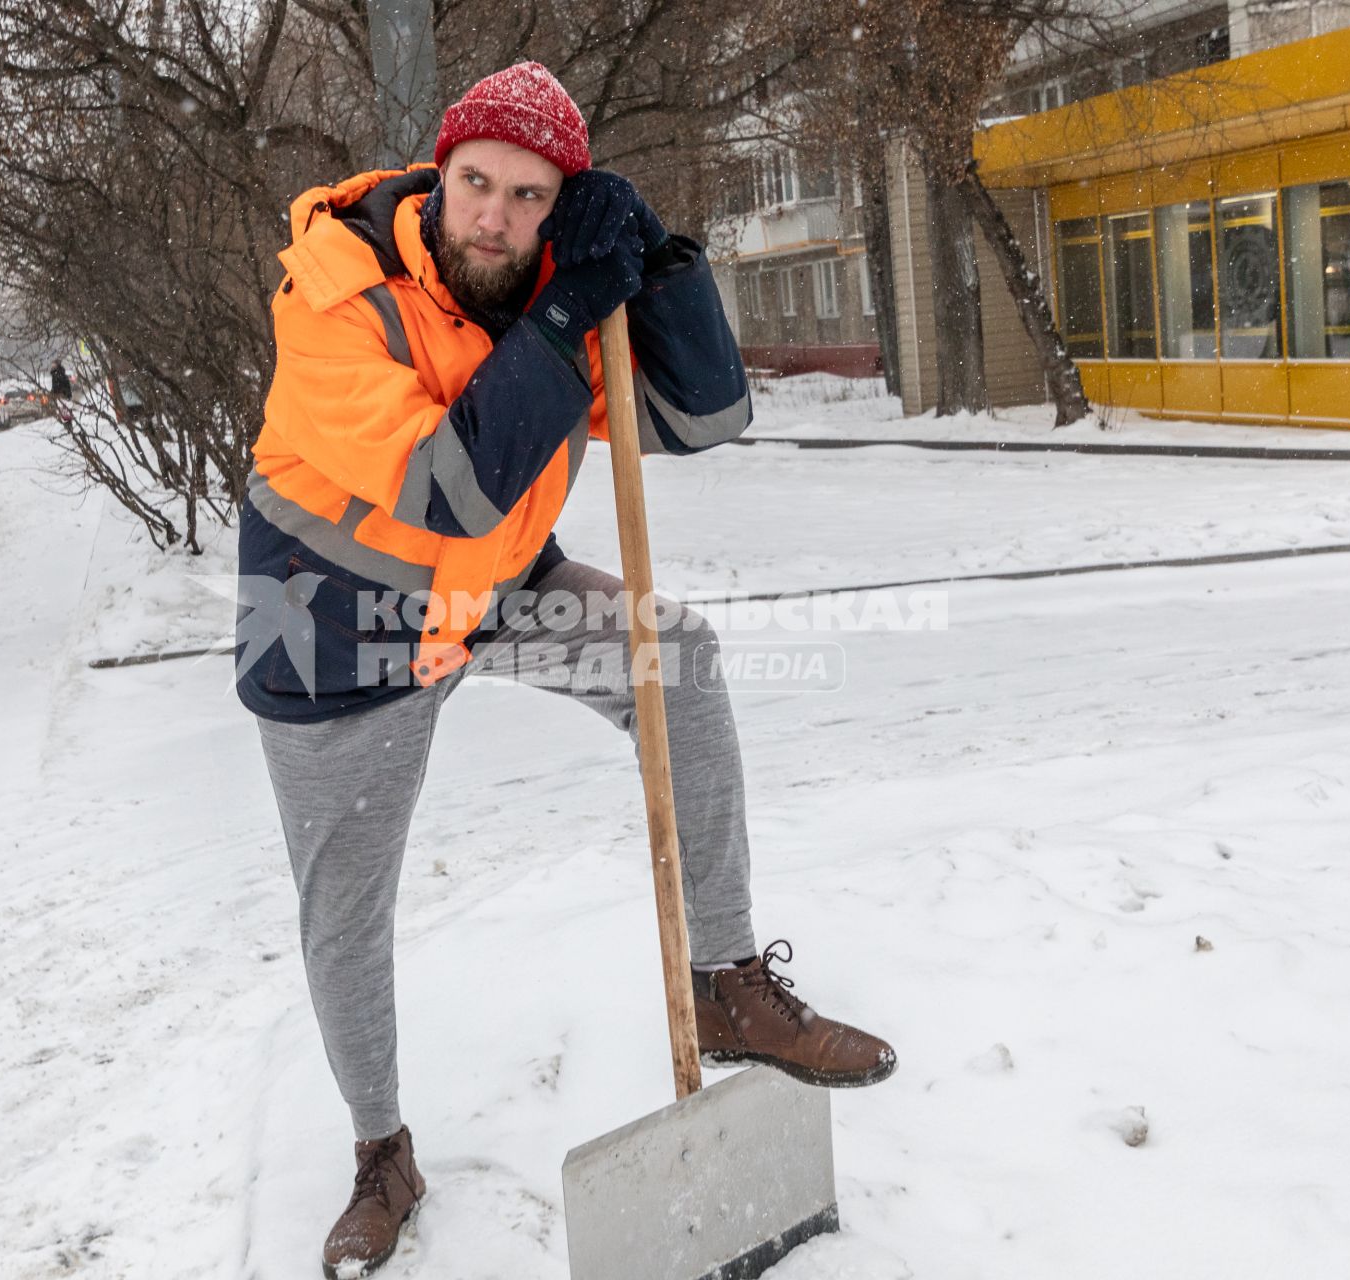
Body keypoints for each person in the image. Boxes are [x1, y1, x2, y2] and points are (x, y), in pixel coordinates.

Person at [235, 62, 896, 1276]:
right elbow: (452, 483)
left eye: (528, 195)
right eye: (475, 182)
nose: (491, 214)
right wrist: (567, 305)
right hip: (332, 623)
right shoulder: (336, 294)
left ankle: (727, 982)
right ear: (440, 175)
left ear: (557, 203)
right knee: (346, 911)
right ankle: (382, 1147)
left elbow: (707, 419)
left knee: (675, 658)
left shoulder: (555, 280)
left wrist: (655, 258)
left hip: (486, 585)